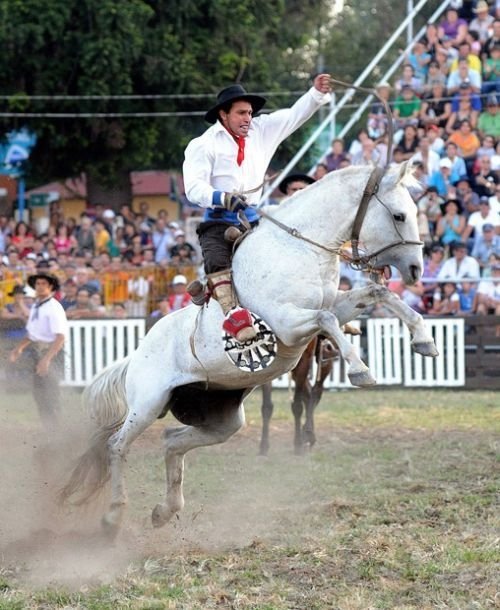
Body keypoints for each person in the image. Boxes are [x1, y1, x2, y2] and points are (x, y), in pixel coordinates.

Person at [182, 75, 332, 342]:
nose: (247, 118)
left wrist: (316, 93)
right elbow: (193, 188)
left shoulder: (262, 130)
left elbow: (295, 116)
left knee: (292, 248)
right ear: (223, 114)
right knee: (217, 260)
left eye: (250, 112)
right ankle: (233, 316)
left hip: (254, 217)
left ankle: (308, 306)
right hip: (219, 219)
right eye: (241, 112)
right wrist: (223, 197)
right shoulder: (203, 145)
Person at [8, 272, 68, 428]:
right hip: (39, 352)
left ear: (51, 288)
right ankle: (49, 428)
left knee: (51, 393)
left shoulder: (53, 307)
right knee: (39, 393)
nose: (40, 287)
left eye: (44, 284)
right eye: (38, 284)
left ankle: (59, 430)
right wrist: (18, 348)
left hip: (51, 353)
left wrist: (46, 359)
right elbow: (34, 333)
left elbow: (60, 337)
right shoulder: (36, 306)